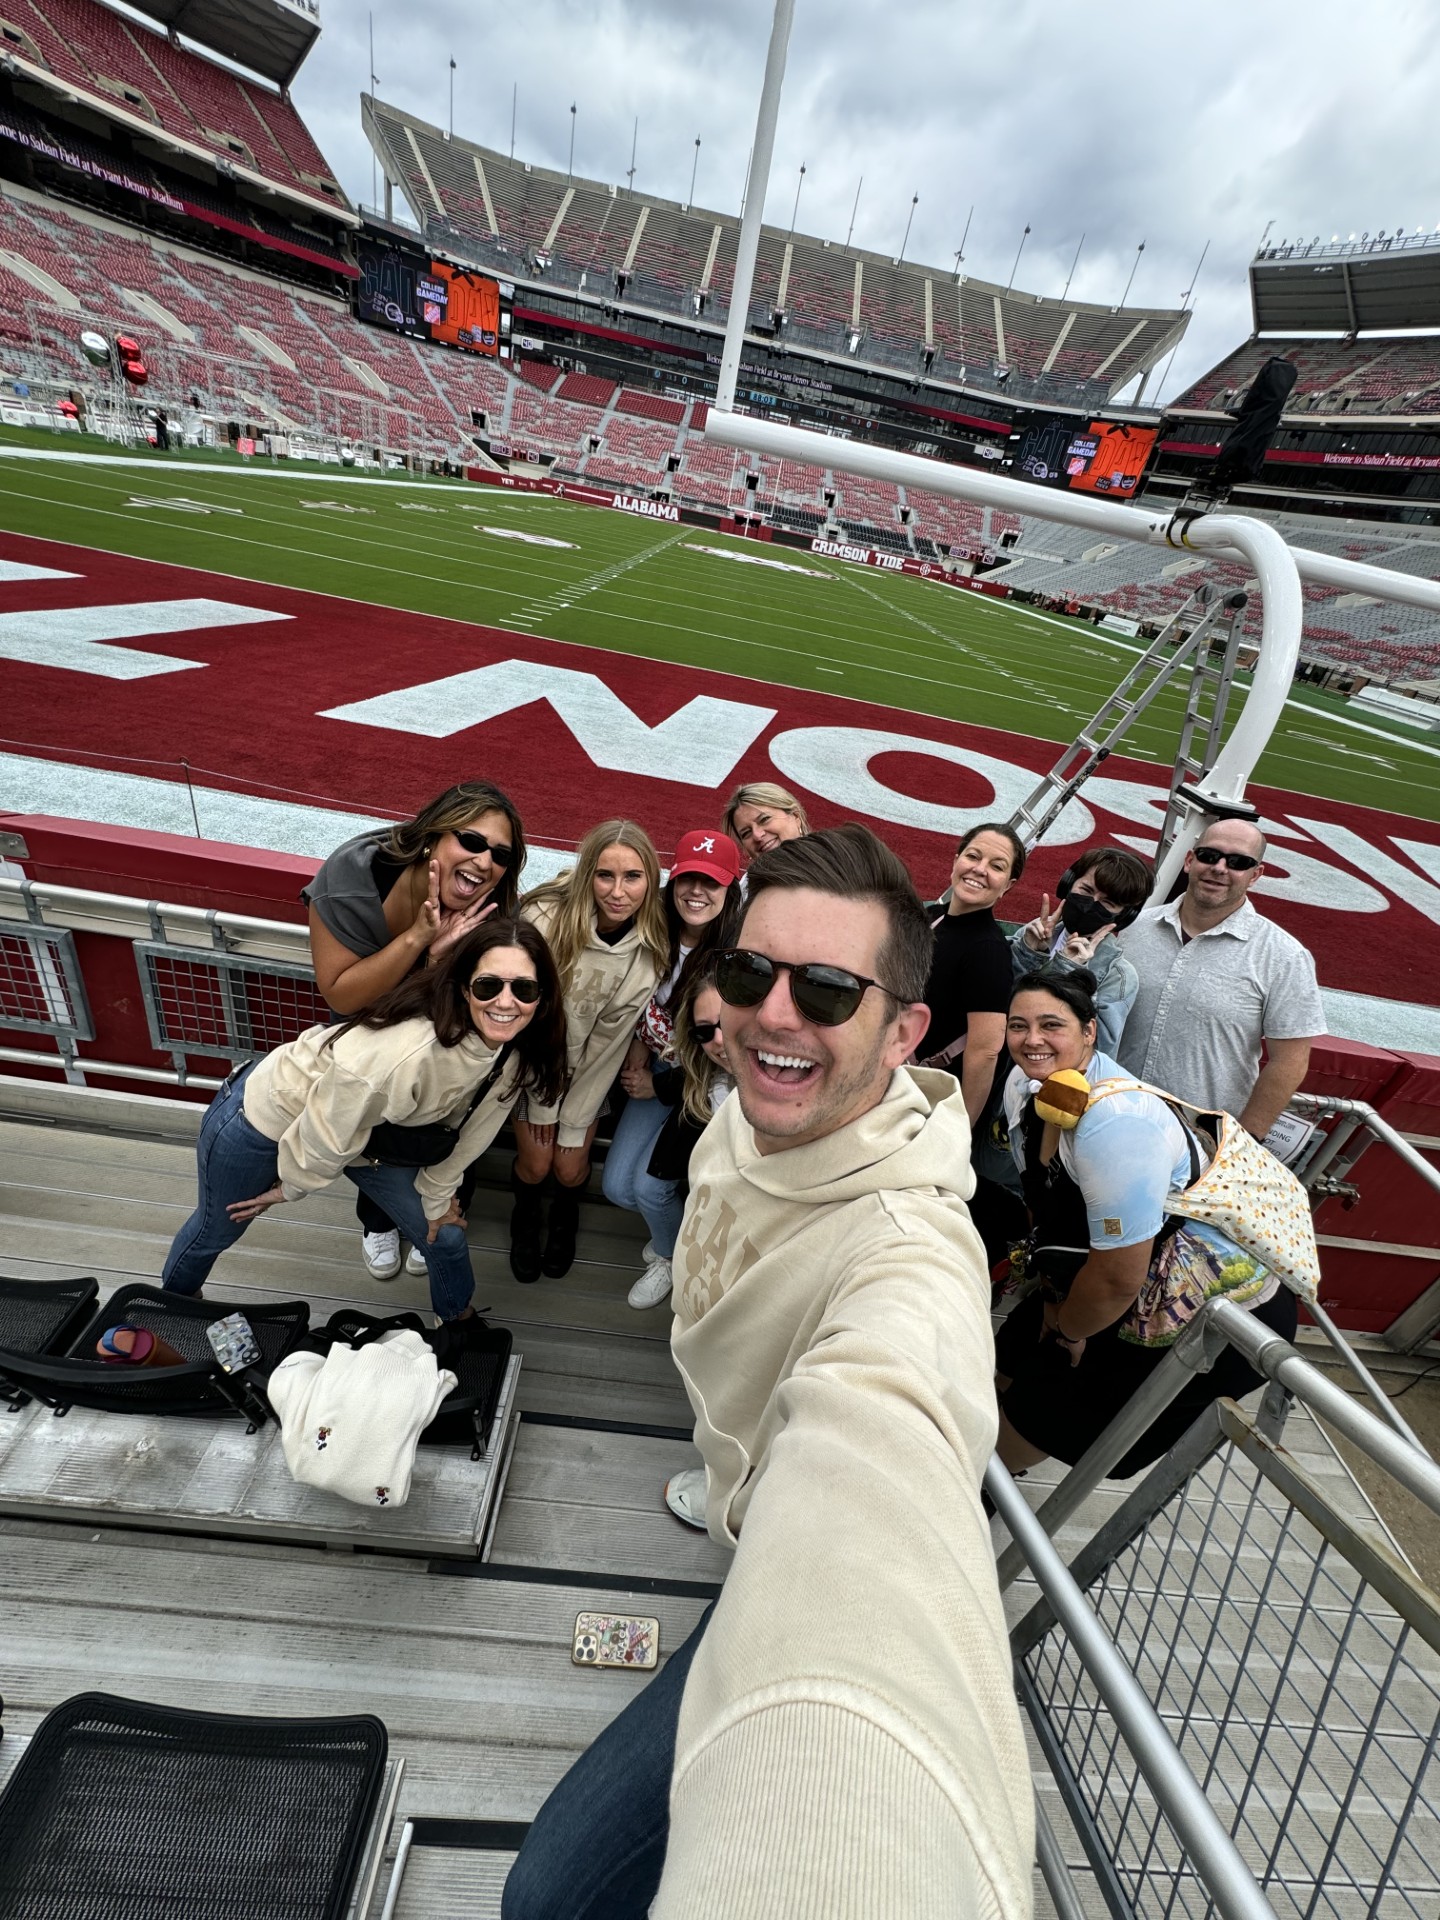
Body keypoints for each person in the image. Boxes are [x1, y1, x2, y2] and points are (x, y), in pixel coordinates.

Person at [502, 825, 1033, 1920]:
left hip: (782, 1562)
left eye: (832, 990)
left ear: (905, 1033)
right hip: (742, 1509)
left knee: (544, 1899)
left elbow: (886, 1447)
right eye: (751, 973)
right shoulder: (747, 1112)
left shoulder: (909, 1251)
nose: (776, 1014)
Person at [162, 921, 566, 1325]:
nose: (506, 1002)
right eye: (488, 986)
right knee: (217, 1229)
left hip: (366, 1134)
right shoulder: (404, 1052)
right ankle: (175, 1307)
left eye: (524, 989)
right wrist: (292, 1186)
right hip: (271, 1114)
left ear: (541, 997)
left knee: (445, 1236)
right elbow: (329, 1122)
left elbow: (470, 1133)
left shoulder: (512, 1053)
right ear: (464, 988)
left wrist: (438, 1201)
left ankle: (458, 1322)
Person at [993, 967, 1298, 1478]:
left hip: (1207, 1313)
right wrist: (1052, 1304)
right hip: (1115, 1274)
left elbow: (1116, 1278)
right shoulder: (1025, 1085)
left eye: (1052, 1025)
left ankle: (987, 1488)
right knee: (1014, 1353)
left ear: (1090, 1031)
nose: (1032, 1040)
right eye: (1017, 1025)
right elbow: (1045, 1210)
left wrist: (1068, 1329)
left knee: (1045, 1414)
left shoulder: (1119, 1122)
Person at [305, 781, 526, 1281]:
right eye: (470, 841)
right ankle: (376, 1218)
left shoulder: (492, 908)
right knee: (373, 1121)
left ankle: (441, 1206)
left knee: (448, 1114)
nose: (485, 859)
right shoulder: (352, 877)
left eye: (501, 853)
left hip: (440, 1038)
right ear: (432, 835)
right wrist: (420, 940)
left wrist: (437, 963)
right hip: (367, 1029)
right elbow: (343, 996)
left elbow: (470, 1020)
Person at [516, 820, 667, 1281]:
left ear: (651, 880)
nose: (618, 892)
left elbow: (608, 1044)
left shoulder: (652, 946)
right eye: (605, 875)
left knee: (567, 1166)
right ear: (587, 875)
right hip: (530, 1066)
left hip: (590, 1072)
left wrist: (574, 1117)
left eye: (632, 877)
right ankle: (524, 1217)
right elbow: (524, 1023)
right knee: (537, 1161)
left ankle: (564, 1215)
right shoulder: (544, 919)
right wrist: (545, 1108)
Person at [603, 830, 742, 1309]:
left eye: (712, 883)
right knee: (617, 1187)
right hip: (656, 1075)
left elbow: (725, 1055)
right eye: (689, 879)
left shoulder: (737, 957)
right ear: (672, 881)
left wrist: (659, 1084)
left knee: (649, 1188)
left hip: (700, 1087)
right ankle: (674, 1231)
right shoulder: (653, 930)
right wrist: (641, 1050)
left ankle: (671, 1255)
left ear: (730, 891)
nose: (697, 892)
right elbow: (644, 1008)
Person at [1117, 819, 1325, 1139]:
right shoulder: (1133, 929)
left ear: (1255, 875)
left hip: (1198, 1139)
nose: (1220, 867)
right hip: (1110, 1113)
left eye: (1238, 862)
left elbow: (1291, 1061)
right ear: (1189, 861)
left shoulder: (1284, 957)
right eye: (1209, 855)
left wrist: (1245, 1139)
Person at [618, 968, 736, 1325]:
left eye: (729, 1024)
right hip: (696, 1120)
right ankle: (669, 1252)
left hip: (746, 1207)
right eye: (704, 1032)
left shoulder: (780, 1074)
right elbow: (690, 1074)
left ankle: (676, 1251)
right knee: (635, 1188)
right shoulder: (703, 1071)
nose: (719, 1040)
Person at [1011, 844, 1153, 1055]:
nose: (1091, 904)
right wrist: (1026, 954)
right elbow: (994, 1001)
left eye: (1108, 902)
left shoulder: (1119, 978)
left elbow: (1097, 1051)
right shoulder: (1031, 934)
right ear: (1068, 884)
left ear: (1123, 916)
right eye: (1086, 890)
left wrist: (1072, 978)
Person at [721, 780, 810, 862]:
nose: (757, 835)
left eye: (764, 819)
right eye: (746, 833)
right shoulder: (751, 879)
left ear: (795, 816)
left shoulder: (823, 855)